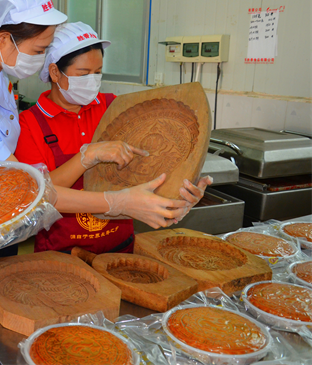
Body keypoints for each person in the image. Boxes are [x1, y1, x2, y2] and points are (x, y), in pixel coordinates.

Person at [0, 0, 196, 365]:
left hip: (1, 229)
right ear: (4, 41)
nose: (42, 57)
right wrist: (116, 200)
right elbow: (27, 188)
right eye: (41, 48)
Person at [15, 22, 212, 254]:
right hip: (60, 254)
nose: (93, 80)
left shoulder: (115, 108)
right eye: (84, 73)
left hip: (119, 248)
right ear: (55, 72)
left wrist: (180, 195)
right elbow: (37, 194)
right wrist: (87, 156)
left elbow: (147, 166)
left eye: (98, 72)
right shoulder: (30, 123)